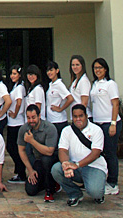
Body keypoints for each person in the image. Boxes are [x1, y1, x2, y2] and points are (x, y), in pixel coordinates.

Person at [51, 104, 107, 206]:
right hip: (74, 167)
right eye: (75, 116)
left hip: (93, 167)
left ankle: (99, 193)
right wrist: (65, 164)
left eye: (80, 116)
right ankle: (75, 194)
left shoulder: (96, 130)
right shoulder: (67, 130)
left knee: (95, 192)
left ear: (86, 116)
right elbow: (62, 150)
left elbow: (95, 153)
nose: (78, 119)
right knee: (56, 169)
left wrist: (77, 164)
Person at [90, 57, 122, 195]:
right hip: (98, 123)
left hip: (109, 123)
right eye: (95, 68)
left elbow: (115, 104)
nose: (97, 70)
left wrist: (113, 123)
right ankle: (103, 179)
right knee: (100, 153)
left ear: (105, 69)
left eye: (100, 68)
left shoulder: (110, 84)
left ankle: (113, 183)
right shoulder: (95, 84)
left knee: (110, 153)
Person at [17, 104, 58, 202]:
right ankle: (46, 181)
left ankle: (50, 190)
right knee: (30, 190)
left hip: (52, 159)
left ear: (39, 116)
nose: (31, 120)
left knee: (46, 160)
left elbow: (49, 151)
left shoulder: (49, 128)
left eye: (33, 117)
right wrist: (30, 170)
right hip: (37, 160)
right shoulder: (24, 129)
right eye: (28, 118)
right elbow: (21, 150)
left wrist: (32, 141)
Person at [6, 65, 27, 184]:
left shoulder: (19, 87)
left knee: (13, 148)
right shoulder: (16, 86)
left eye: (14, 74)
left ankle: (21, 173)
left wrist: (15, 113)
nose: (12, 76)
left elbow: (19, 102)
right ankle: (19, 172)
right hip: (12, 123)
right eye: (11, 74)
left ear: (19, 74)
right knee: (12, 147)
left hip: (17, 123)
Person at [45, 61, 74, 138]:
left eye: (51, 70)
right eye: (48, 70)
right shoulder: (51, 84)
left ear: (57, 71)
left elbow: (70, 98)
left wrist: (60, 109)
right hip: (51, 120)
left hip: (58, 120)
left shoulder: (59, 85)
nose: (49, 72)